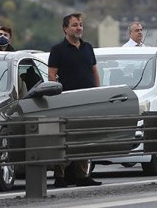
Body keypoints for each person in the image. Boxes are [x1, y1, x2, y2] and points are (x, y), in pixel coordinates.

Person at [48, 13, 102, 187]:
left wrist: (98, 92)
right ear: (65, 28)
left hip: (86, 100)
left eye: (80, 24)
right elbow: (51, 75)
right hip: (67, 100)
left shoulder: (88, 47)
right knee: (64, 139)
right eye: (74, 25)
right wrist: (56, 94)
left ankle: (82, 175)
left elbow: (94, 71)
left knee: (84, 138)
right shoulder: (57, 50)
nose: (79, 28)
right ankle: (60, 176)